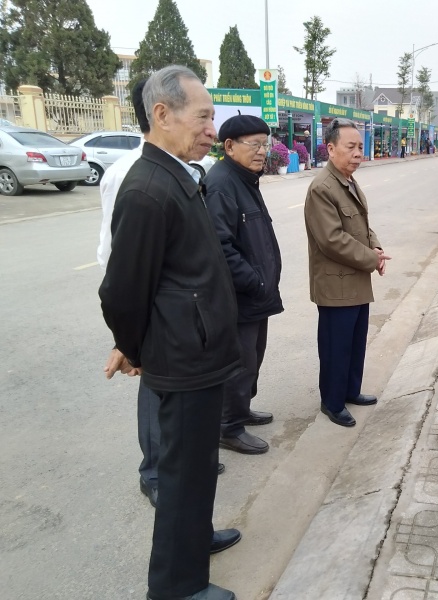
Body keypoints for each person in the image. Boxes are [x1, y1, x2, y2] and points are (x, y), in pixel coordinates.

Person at [99, 65, 241, 600]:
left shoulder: (180, 175)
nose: (211, 129)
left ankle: (195, 539)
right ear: (162, 115)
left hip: (199, 352)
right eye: (203, 117)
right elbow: (122, 289)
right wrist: (131, 348)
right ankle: (177, 587)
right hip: (183, 359)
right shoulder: (147, 189)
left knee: (200, 467)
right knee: (182, 476)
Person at [205, 115, 284, 456]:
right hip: (240, 297)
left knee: (253, 358)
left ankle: (242, 410)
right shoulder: (222, 183)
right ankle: (228, 426)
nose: (262, 152)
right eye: (254, 145)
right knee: (239, 364)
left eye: (264, 144)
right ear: (229, 146)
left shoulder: (245, 179)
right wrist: (255, 281)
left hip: (256, 294)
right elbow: (220, 247)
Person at [304, 118, 390, 428]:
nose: (358, 153)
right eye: (350, 147)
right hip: (335, 285)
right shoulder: (322, 188)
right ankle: (332, 401)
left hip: (355, 280)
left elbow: (361, 226)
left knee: (354, 343)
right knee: (335, 348)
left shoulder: (348, 181)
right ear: (331, 148)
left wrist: (376, 249)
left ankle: (350, 391)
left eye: (360, 147)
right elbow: (332, 240)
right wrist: (371, 259)